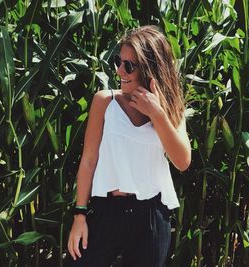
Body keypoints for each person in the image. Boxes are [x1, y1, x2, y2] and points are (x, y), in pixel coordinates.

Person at [65, 25, 191, 267]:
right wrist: (79, 215)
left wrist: (157, 114)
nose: (119, 71)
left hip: (151, 215)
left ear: (150, 68)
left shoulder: (172, 109)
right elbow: (89, 160)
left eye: (129, 66)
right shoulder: (105, 102)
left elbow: (182, 161)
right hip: (106, 211)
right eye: (118, 61)